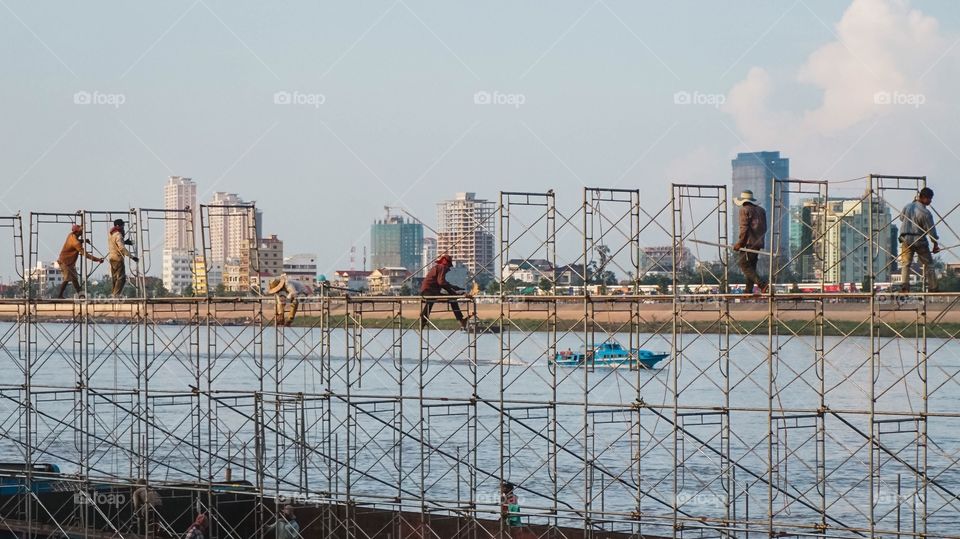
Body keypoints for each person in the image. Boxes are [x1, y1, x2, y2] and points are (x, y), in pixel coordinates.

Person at [899, 187, 940, 292]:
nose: (930, 201)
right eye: (930, 199)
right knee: (929, 264)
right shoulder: (925, 213)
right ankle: (933, 287)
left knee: (906, 263)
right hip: (919, 240)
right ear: (924, 198)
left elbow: (901, 218)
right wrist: (935, 244)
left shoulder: (907, 206)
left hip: (905, 239)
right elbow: (931, 232)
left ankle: (905, 285)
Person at [732, 190, 768, 295]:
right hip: (758, 242)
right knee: (751, 266)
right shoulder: (761, 210)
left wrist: (740, 243)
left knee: (744, 265)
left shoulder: (744, 210)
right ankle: (748, 289)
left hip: (748, 243)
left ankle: (762, 284)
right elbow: (764, 228)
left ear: (743, 201)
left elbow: (744, 228)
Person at [419, 254, 467, 330]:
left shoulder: (438, 267)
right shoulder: (442, 267)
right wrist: (452, 292)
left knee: (430, 304)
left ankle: (422, 321)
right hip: (430, 292)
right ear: (446, 263)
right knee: (452, 299)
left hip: (428, 291)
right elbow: (441, 282)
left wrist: (453, 287)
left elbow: (442, 282)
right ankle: (460, 320)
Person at [56, 224, 103, 299]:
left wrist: (84, 241)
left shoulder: (71, 235)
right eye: (80, 231)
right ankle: (59, 295)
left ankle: (81, 295)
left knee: (75, 279)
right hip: (65, 262)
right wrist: (97, 260)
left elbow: (77, 240)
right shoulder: (76, 243)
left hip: (69, 262)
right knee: (67, 278)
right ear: (77, 232)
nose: (82, 233)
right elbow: (85, 254)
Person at [107, 219, 138, 297]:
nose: (123, 227)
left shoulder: (111, 234)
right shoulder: (118, 235)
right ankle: (116, 295)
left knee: (115, 278)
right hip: (118, 258)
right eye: (122, 225)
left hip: (111, 258)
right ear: (118, 226)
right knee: (121, 278)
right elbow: (121, 248)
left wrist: (125, 242)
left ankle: (113, 294)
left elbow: (116, 244)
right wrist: (132, 257)